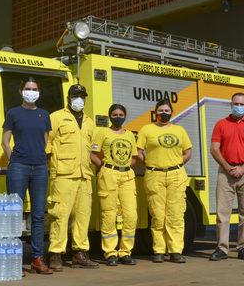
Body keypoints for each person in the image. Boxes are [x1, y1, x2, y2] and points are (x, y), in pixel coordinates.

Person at [2, 77, 53, 274]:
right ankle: (13, 259)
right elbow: (5, 141)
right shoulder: (13, 113)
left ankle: (37, 259)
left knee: (38, 215)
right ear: (20, 91)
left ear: (38, 92)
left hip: (40, 168)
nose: (31, 91)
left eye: (34, 89)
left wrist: (42, 161)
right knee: (14, 213)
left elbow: (45, 142)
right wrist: (13, 161)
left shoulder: (44, 115)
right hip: (19, 167)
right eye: (27, 88)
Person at [46, 84, 98, 270]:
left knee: (83, 216)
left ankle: (79, 253)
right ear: (68, 98)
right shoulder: (56, 117)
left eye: (82, 96)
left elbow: (91, 148)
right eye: (75, 95)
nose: (79, 99)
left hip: (84, 175)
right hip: (62, 174)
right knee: (59, 215)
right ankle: (55, 254)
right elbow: (47, 144)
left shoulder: (90, 122)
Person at [136, 98, 192, 263]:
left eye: (167, 111)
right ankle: (159, 251)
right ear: (155, 112)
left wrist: (175, 164)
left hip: (176, 175)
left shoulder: (180, 130)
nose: (164, 113)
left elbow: (188, 153)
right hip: (154, 175)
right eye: (161, 111)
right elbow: (139, 152)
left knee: (175, 215)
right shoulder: (147, 130)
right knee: (158, 215)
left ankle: (176, 251)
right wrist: (150, 164)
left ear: (171, 113)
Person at [209, 92, 244, 261]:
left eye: (241, 104)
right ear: (230, 105)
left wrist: (243, 168)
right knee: (222, 213)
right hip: (226, 173)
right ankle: (222, 249)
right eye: (235, 104)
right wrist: (228, 167)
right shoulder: (221, 124)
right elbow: (214, 149)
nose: (238, 107)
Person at [91, 104, 138, 266]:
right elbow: (93, 154)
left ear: (125, 116)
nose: (118, 117)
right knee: (108, 214)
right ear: (110, 116)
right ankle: (110, 252)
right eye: (115, 114)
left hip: (127, 175)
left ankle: (125, 252)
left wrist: (125, 167)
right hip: (108, 174)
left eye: (121, 114)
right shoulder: (103, 132)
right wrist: (103, 167)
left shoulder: (130, 135)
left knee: (131, 215)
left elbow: (134, 157)